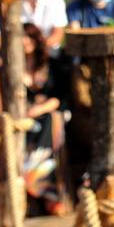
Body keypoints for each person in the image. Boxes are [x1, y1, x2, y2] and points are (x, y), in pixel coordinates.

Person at [21, 23, 68, 215]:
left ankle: (48, 194)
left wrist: (39, 109)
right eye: (21, 38)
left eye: (29, 37)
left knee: (50, 122)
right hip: (23, 116)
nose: (25, 42)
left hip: (49, 113)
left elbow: (60, 97)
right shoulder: (12, 66)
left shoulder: (52, 64)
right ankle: (26, 194)